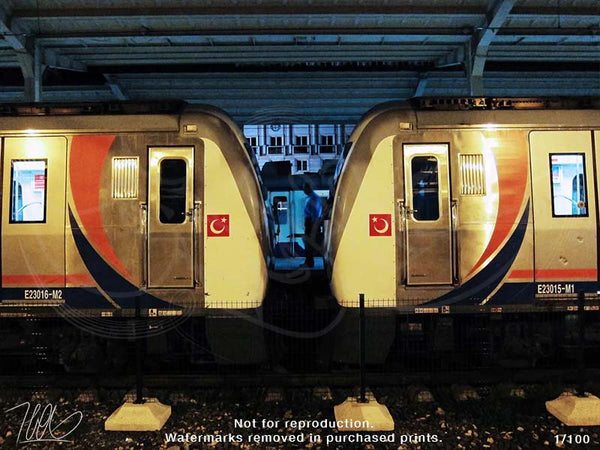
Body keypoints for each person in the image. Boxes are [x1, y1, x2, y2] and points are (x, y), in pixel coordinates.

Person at [300, 181, 322, 268]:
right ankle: (308, 261)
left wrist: (314, 226)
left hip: (311, 223)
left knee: (309, 243)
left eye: (304, 188)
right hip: (309, 222)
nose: (303, 190)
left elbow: (315, 213)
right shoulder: (310, 198)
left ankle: (309, 262)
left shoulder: (314, 198)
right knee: (307, 243)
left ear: (309, 188)